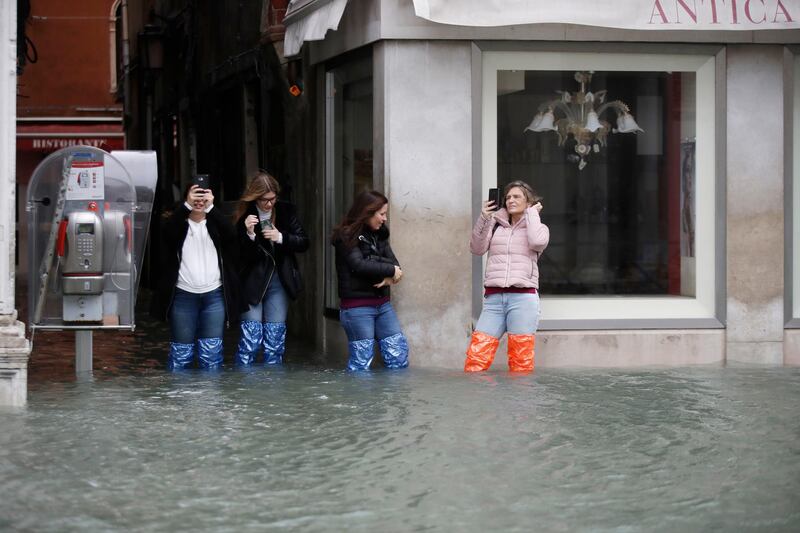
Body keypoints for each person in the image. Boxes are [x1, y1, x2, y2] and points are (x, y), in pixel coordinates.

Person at [465, 180, 549, 373]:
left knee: (520, 361)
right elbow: (476, 248)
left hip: (523, 299)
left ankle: (520, 401)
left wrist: (532, 214)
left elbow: (537, 242)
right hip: (494, 300)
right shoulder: (496, 226)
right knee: (476, 359)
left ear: (528, 202)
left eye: (517, 196)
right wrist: (485, 218)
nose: (510, 200)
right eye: (508, 197)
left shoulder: (539, 228)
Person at [157, 183, 239, 370]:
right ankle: (180, 396)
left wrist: (212, 208)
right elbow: (167, 234)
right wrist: (186, 206)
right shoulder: (177, 224)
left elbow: (232, 234)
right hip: (183, 294)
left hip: (214, 295)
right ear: (187, 198)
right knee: (181, 353)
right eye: (195, 197)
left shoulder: (216, 224)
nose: (199, 201)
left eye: (203, 197)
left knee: (212, 354)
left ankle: (210, 397)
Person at [233, 172, 309, 365]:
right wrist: (249, 234)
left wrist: (281, 237)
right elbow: (238, 255)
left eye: (272, 199)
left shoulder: (285, 211)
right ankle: (245, 385)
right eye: (264, 200)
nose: (269, 204)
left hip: (279, 280)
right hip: (252, 281)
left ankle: (272, 386)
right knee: (250, 338)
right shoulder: (245, 215)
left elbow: (303, 242)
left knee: (275, 340)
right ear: (255, 197)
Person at [331, 190, 409, 371]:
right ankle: (360, 400)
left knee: (398, 355)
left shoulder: (380, 234)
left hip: (382, 304)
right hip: (357, 307)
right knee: (361, 363)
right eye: (381, 214)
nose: (384, 219)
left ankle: (393, 399)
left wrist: (390, 275)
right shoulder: (346, 236)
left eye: (385, 214)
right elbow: (359, 265)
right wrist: (389, 270)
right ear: (367, 212)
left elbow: (395, 265)